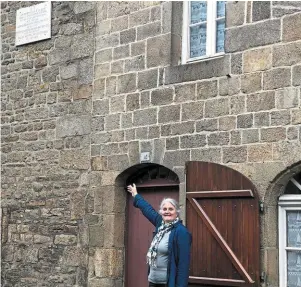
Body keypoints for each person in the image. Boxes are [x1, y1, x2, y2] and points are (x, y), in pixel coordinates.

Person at [127, 183, 192, 287]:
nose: (167, 212)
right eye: (164, 209)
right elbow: (148, 210)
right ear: (161, 212)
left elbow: (183, 265)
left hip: (167, 283)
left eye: (171, 209)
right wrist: (135, 195)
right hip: (153, 280)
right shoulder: (160, 224)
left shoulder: (181, 232)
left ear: (177, 212)